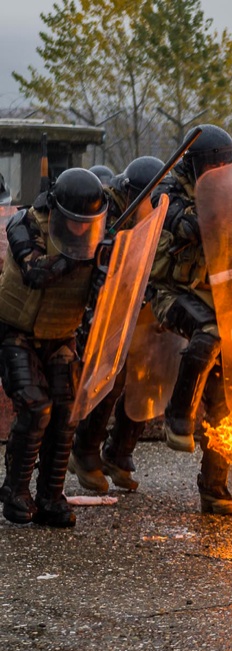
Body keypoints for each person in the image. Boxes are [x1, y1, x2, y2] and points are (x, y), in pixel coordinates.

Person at [0, 168, 109, 527]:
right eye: (75, 222)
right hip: (16, 332)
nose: (80, 230)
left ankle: (50, 496)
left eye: (87, 224)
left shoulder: (98, 240)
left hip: (61, 335)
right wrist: (78, 258)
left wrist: (108, 270)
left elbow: (101, 301)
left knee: (66, 412)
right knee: (36, 408)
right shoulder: (24, 223)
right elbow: (34, 272)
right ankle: (16, 490)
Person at [148, 123, 232, 514]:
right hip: (169, 293)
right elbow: (186, 225)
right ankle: (177, 416)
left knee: (227, 401)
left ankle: (213, 486)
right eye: (215, 167)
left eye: (226, 166)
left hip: (214, 295)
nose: (221, 173)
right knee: (208, 332)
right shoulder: (167, 192)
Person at [68, 156, 164, 493]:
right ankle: (83, 450)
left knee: (148, 372)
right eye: (148, 198)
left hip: (127, 309)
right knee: (109, 374)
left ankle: (118, 451)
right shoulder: (106, 213)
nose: (152, 206)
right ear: (132, 193)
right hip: (85, 310)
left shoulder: (149, 218)